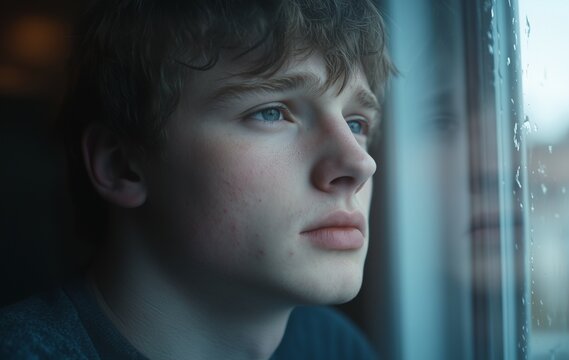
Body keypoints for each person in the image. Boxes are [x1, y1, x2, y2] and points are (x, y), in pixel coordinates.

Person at [0, 0, 396, 359]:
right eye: (271, 112)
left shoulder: (337, 348)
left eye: (356, 122)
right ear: (122, 165)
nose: (360, 164)